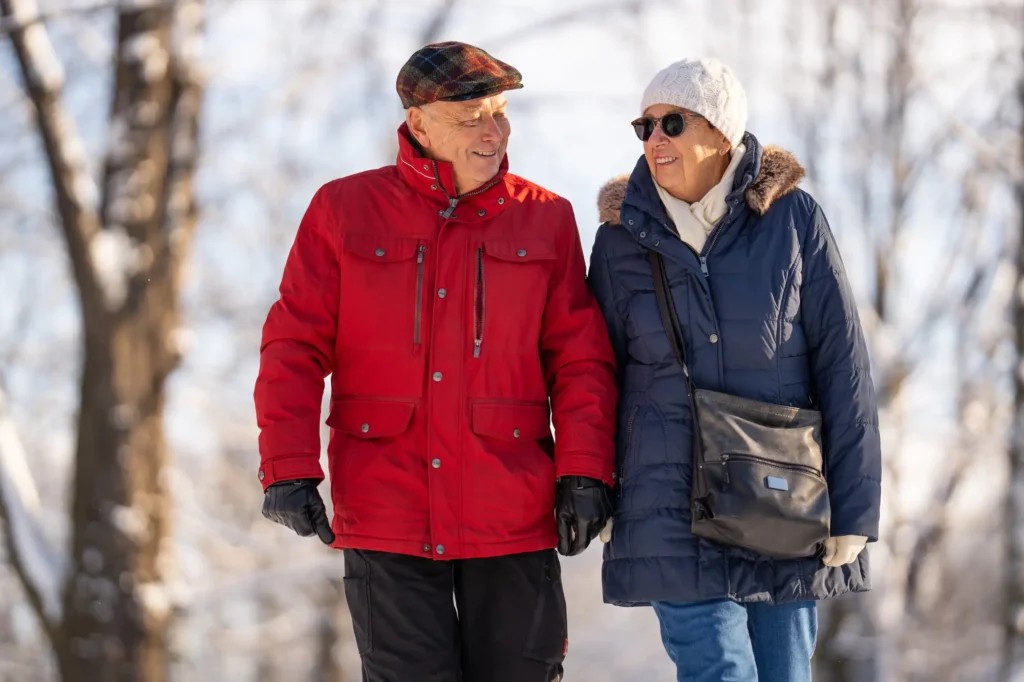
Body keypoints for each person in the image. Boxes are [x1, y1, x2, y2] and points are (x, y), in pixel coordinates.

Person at [254, 41, 616, 682]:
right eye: (471, 116)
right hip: (386, 505)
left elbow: (580, 358)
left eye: (500, 113)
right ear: (419, 123)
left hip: (512, 508)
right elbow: (294, 345)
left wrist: (585, 470)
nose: (494, 131)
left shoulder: (546, 219)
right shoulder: (343, 210)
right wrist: (287, 466)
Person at [588, 57, 882, 681]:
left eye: (672, 122)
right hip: (666, 503)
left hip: (783, 499)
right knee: (718, 670)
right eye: (644, 127)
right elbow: (595, 375)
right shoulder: (619, 241)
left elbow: (843, 365)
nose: (655, 140)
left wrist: (854, 512)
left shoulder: (794, 220)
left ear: (722, 134)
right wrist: (595, 482)